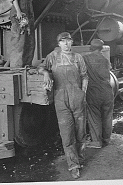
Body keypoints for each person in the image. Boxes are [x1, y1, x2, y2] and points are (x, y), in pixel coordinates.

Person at [38, 32, 88, 179]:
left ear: (72, 42)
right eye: (63, 42)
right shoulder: (52, 56)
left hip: (77, 98)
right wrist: (46, 73)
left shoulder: (78, 58)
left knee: (80, 133)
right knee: (67, 134)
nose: (66, 44)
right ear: (59, 43)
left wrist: (82, 93)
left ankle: (80, 159)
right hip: (61, 100)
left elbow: (85, 76)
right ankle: (73, 165)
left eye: (68, 41)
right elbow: (41, 68)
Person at [8, 0, 43, 67]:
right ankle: (17, 67)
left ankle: (27, 65)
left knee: (30, 41)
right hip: (19, 15)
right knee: (19, 41)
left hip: (28, 16)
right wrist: (18, 11)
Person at [83, 38, 114, 148]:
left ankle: (96, 142)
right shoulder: (105, 60)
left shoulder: (85, 58)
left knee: (94, 116)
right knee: (107, 116)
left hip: (94, 92)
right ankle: (106, 139)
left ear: (91, 48)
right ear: (101, 48)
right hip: (107, 91)